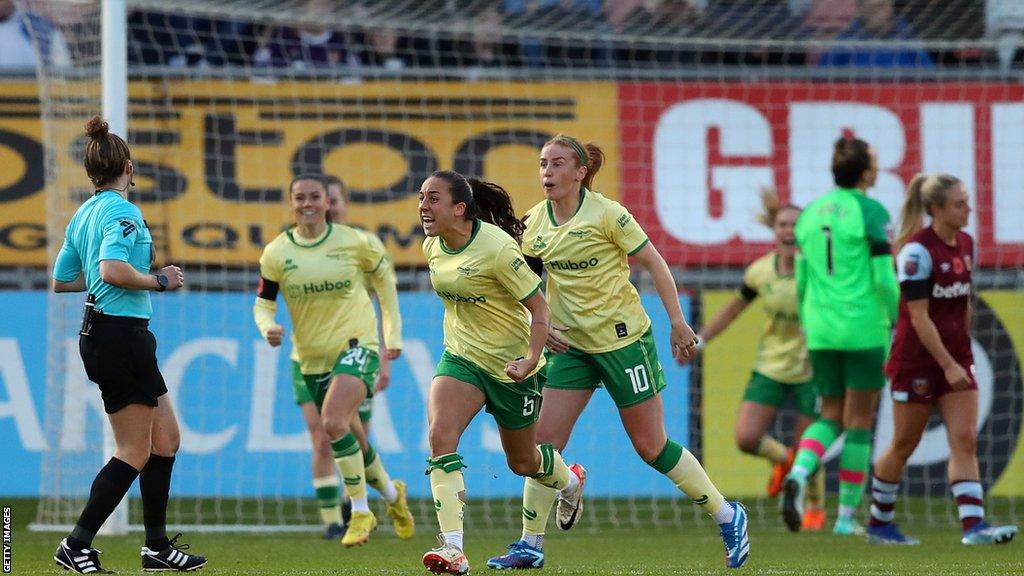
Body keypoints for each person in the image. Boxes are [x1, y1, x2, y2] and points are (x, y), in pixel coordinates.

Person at [487, 134, 749, 570]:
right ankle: (531, 543)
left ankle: (727, 515)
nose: (547, 172)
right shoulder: (533, 224)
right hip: (572, 347)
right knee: (541, 446)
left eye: (557, 164)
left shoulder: (607, 214)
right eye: (543, 164)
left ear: (579, 172)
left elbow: (655, 263)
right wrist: (542, 327)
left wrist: (677, 321)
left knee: (651, 446)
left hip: (623, 342)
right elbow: (523, 286)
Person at [51, 116, 207, 573]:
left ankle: (156, 547)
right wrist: (159, 280)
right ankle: (76, 544)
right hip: (119, 336)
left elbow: (63, 280)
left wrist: (110, 279)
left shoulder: (83, 214)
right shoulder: (123, 212)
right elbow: (112, 270)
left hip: (113, 334)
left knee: (166, 439)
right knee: (134, 450)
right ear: (129, 168)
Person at [417, 170, 585, 576]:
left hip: (514, 368)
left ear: (460, 208)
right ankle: (453, 549)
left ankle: (570, 481)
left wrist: (530, 357)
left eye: (433, 199)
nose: (423, 206)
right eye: (421, 198)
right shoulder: (431, 246)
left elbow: (539, 308)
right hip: (462, 358)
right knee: (440, 437)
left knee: (524, 462)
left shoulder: (498, 249)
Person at [254, 174, 414, 547]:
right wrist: (267, 327)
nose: (307, 204)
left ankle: (359, 512)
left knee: (332, 422)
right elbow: (263, 303)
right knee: (351, 435)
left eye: (315, 197)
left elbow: (385, 286)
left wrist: (392, 338)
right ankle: (393, 495)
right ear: (290, 203)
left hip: (358, 346)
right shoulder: (277, 253)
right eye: (300, 197)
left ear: (328, 202)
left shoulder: (357, 242)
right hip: (311, 358)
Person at [866, 174, 1019, 546]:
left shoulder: (967, 244)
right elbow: (918, 318)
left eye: (967, 201)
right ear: (935, 209)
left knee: (964, 439)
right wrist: (948, 365)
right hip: (916, 363)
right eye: (959, 204)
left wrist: (961, 353)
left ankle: (974, 527)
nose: (968, 209)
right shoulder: (916, 253)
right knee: (904, 443)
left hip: (957, 358)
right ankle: (879, 524)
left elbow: (963, 301)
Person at [688, 189, 827, 531]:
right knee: (746, 437)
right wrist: (699, 341)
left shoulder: (818, 270)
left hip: (812, 369)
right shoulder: (761, 272)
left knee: (808, 446)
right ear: (774, 230)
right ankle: (783, 461)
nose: (789, 231)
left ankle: (815, 509)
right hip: (772, 366)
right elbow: (733, 308)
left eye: (795, 225)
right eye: (783, 224)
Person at [782, 136, 900, 536]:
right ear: (866, 172)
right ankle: (847, 518)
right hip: (863, 328)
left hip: (820, 330)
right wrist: (901, 319)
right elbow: (884, 279)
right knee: (859, 421)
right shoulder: (872, 212)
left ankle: (799, 472)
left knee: (829, 414)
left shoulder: (809, 214)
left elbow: (801, 282)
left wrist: (806, 325)